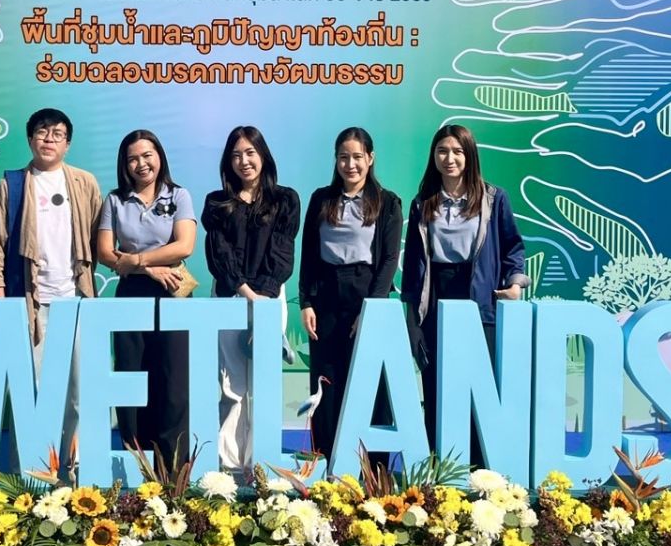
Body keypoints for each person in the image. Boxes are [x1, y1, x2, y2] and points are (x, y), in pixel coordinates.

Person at [399, 125, 529, 460]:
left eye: (457, 151)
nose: (450, 158)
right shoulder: (422, 203)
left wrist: (515, 283)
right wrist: (412, 317)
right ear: (433, 156)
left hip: (479, 299)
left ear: (470, 155)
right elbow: (413, 266)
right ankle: (438, 467)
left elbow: (513, 247)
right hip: (435, 299)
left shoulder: (493, 198)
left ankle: (481, 471)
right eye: (442, 151)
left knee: (478, 387)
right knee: (436, 384)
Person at [0, 108, 103, 457]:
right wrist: (2, 303)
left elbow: (99, 238)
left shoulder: (84, 183)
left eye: (57, 134)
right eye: (42, 132)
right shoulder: (12, 186)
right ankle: (33, 473)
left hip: (76, 301)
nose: (49, 139)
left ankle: (74, 468)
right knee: (31, 392)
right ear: (30, 138)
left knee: (80, 391)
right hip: (30, 305)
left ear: (68, 144)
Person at [201, 125, 301, 469]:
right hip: (230, 297)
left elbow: (282, 253)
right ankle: (230, 465)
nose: (244, 161)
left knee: (264, 382)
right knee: (232, 384)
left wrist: (263, 299)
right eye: (236, 155)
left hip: (270, 299)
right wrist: (245, 292)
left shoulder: (285, 199)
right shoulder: (217, 202)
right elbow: (219, 254)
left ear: (263, 156)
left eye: (250, 153)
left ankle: (261, 463)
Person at [298, 127, 402, 458]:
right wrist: (306, 301)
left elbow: (389, 260)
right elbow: (308, 254)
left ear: (370, 159)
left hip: (366, 292)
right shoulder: (321, 199)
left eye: (358, 157)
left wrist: (371, 307)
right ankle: (327, 460)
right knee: (326, 379)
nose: (351, 164)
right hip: (326, 296)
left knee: (370, 380)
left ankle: (375, 468)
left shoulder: (387, 202)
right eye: (344, 157)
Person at [95, 129, 197, 463]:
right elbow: (106, 253)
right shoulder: (115, 200)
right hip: (132, 292)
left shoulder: (179, 195)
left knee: (174, 377)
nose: (141, 164)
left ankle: (175, 466)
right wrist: (148, 268)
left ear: (159, 157)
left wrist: (137, 260)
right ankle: (135, 460)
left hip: (173, 289)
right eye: (133, 159)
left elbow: (184, 246)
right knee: (130, 373)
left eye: (147, 155)